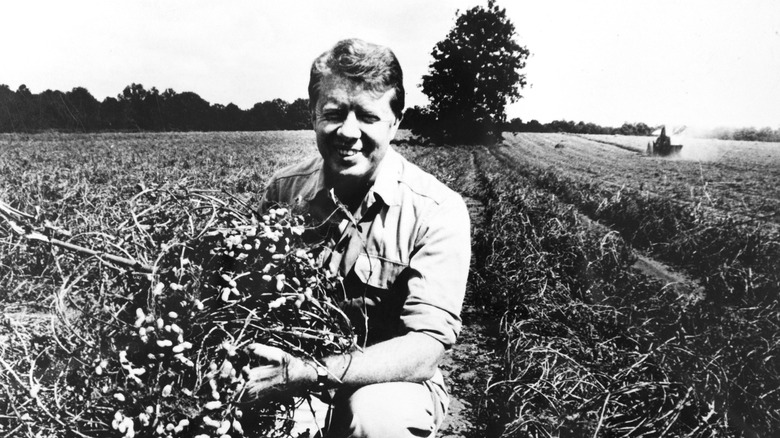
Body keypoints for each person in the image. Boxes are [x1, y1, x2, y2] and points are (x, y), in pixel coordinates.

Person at [243, 38, 471, 438]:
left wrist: (312, 372)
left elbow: (425, 348)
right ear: (313, 115)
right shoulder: (283, 191)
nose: (348, 132)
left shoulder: (436, 210)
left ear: (395, 121)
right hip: (287, 374)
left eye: (367, 116)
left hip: (389, 381)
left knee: (377, 416)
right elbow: (249, 302)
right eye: (333, 114)